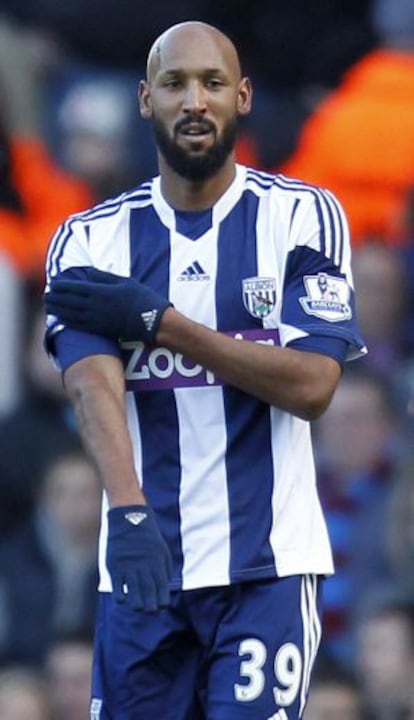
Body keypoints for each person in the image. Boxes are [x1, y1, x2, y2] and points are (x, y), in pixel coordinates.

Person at [44, 21, 366, 720]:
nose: (195, 100)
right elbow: (90, 382)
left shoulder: (303, 217)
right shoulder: (92, 237)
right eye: (175, 83)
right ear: (144, 100)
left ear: (243, 97)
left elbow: (313, 386)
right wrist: (129, 513)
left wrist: (163, 325)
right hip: (142, 565)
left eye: (213, 83)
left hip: (266, 572)